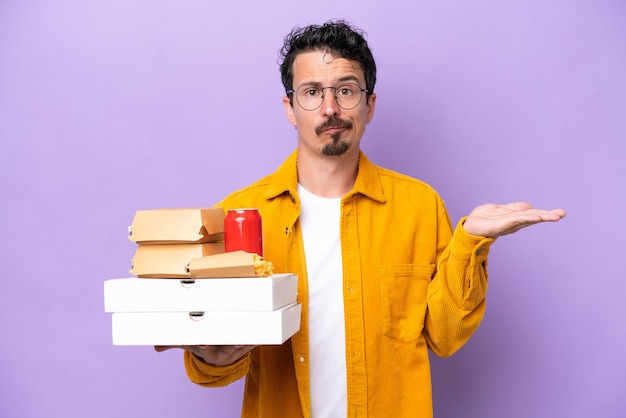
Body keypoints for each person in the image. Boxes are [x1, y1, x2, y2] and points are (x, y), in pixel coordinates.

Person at [156, 20, 566, 417]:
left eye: (346, 91)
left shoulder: (419, 206)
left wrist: (471, 242)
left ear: (369, 106)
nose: (330, 108)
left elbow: (444, 337)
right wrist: (210, 355)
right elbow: (214, 370)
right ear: (290, 108)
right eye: (312, 92)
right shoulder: (241, 215)